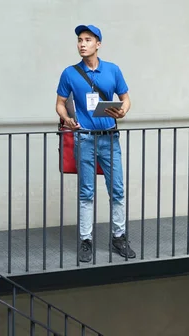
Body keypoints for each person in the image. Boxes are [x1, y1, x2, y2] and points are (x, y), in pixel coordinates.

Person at [55, 24, 136, 262]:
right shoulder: (69, 73)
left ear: (98, 44)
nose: (82, 44)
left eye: (88, 40)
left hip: (110, 138)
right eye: (80, 40)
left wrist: (123, 112)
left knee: (118, 189)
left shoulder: (113, 70)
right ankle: (85, 240)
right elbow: (60, 103)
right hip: (84, 138)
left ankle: (119, 237)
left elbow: (126, 99)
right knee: (86, 192)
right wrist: (67, 119)